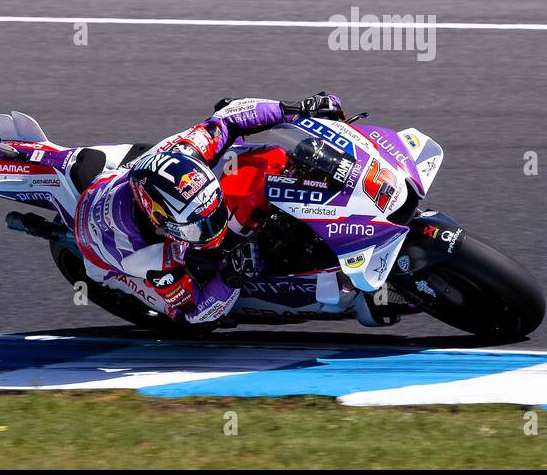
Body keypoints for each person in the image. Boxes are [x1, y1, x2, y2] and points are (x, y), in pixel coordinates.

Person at [73, 94, 345, 324]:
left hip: (122, 177)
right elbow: (196, 312)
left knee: (267, 158)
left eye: (215, 213)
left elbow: (230, 115)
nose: (217, 226)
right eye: (200, 226)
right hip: (107, 254)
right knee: (186, 321)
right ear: (161, 223)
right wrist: (231, 276)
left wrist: (296, 111)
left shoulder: (184, 150)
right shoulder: (152, 259)